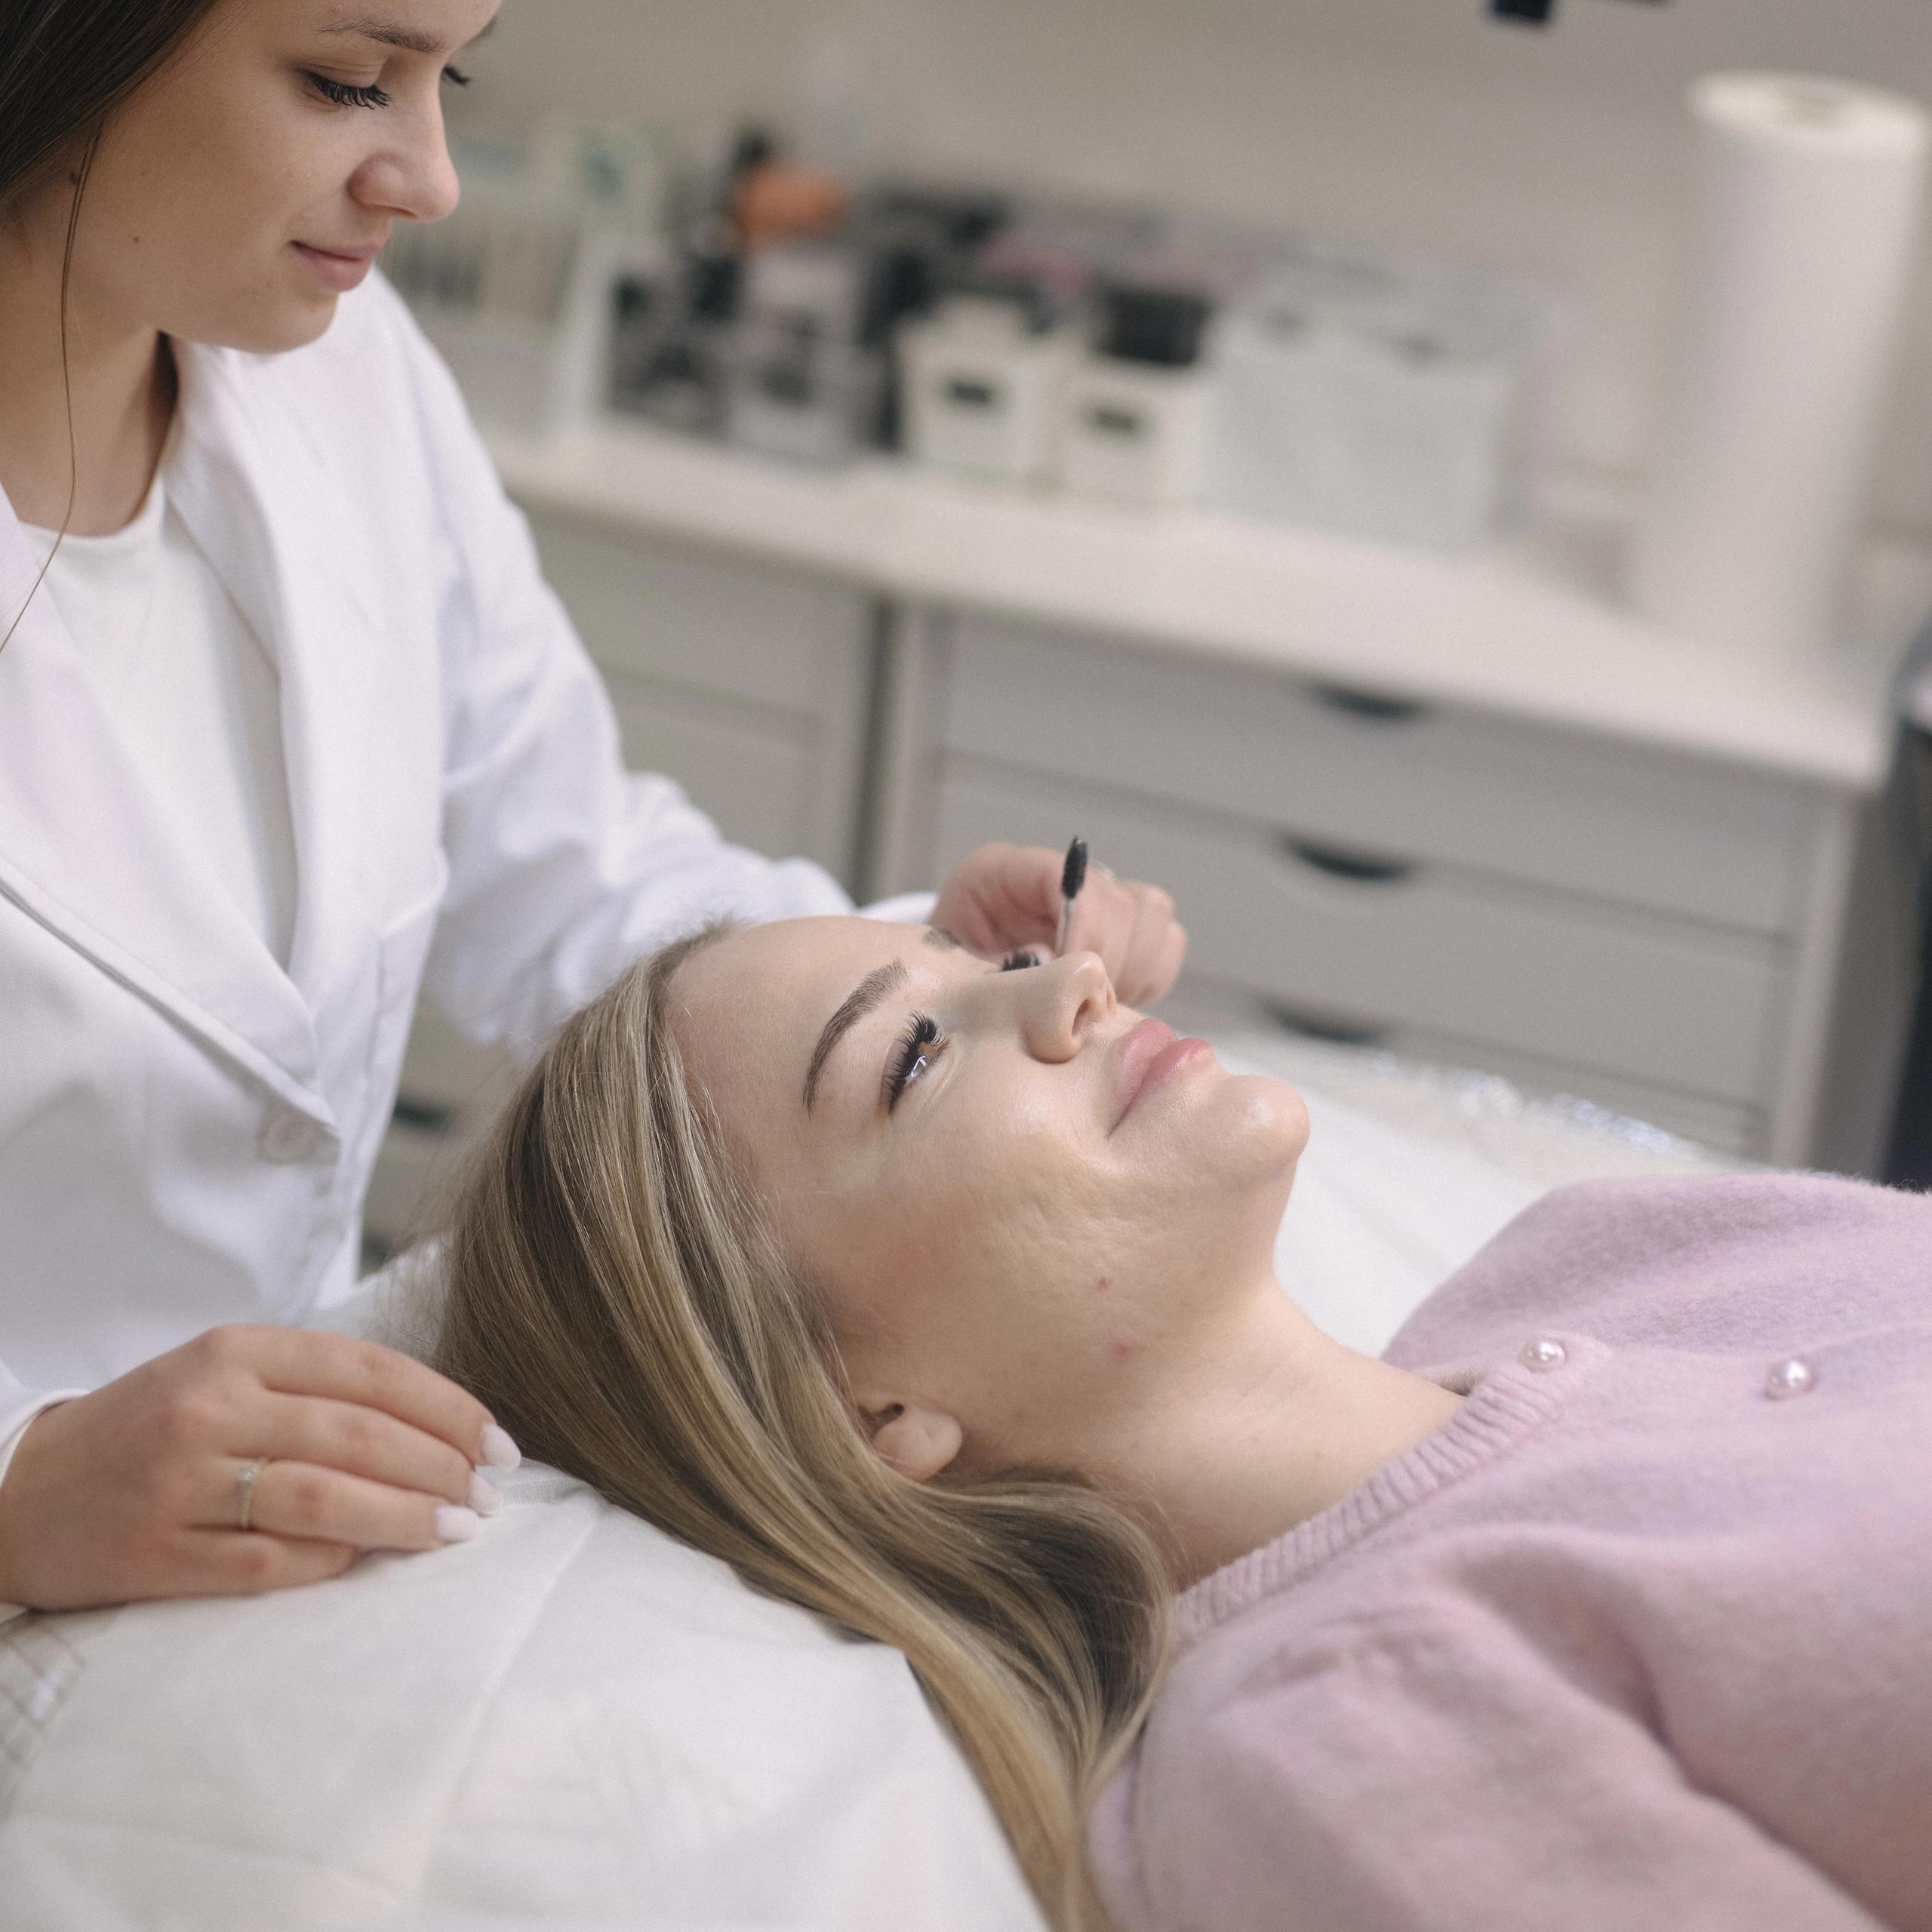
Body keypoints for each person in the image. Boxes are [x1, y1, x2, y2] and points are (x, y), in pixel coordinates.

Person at [0, 0, 1189, 1620]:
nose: (429, 178)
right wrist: (18, 1489)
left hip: (276, 1562)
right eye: (347, 81)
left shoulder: (337, 381)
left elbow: (569, 869)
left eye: (449, 81)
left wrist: (911, 979)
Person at [437, 913, 1932, 1932]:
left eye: (994, 953)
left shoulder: (1612, 1249)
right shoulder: (1321, 1745)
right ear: (863, 1407)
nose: (1069, 981)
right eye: (913, 1053)